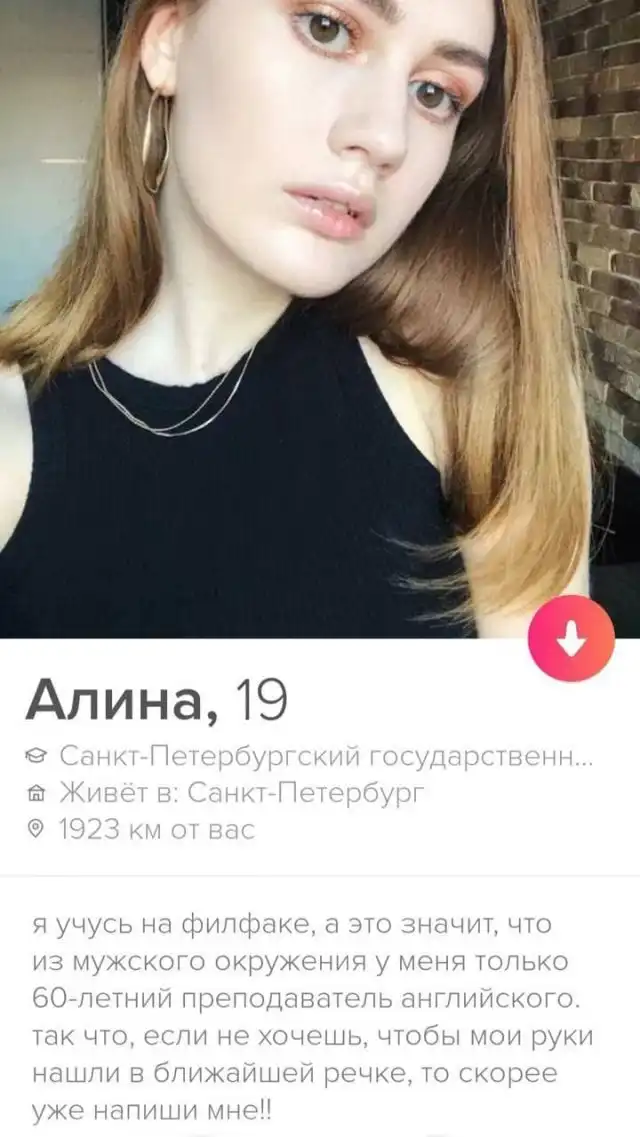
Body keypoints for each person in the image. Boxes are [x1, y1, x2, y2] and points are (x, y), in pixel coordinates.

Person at [0, 0, 593, 638]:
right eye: (327, 29)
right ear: (169, 41)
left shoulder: (480, 388)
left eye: (434, 93)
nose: (387, 139)